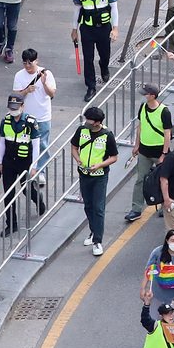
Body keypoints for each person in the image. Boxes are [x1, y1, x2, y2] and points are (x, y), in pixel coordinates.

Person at [127, 83, 174, 222]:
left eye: (145, 94)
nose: (143, 96)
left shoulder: (164, 111)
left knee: (162, 179)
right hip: (144, 150)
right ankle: (136, 209)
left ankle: (163, 205)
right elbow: (140, 126)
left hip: (159, 151)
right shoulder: (143, 107)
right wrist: (137, 144)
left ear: (152, 96)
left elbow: (167, 134)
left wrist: (164, 154)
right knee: (140, 179)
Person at [0, 94, 42, 236]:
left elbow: (36, 145)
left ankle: (38, 200)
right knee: (8, 194)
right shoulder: (6, 121)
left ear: (22, 107)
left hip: (24, 162)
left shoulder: (30, 122)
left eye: (16, 108)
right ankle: (12, 224)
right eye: (11, 108)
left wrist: (34, 166)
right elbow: (2, 142)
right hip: (9, 162)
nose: (13, 110)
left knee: (27, 189)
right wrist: (0, 162)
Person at [74, 105, 118, 255]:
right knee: (88, 205)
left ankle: (98, 241)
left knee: (98, 208)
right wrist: (78, 159)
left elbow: (114, 157)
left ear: (97, 122)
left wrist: (100, 165)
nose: (87, 121)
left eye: (89, 120)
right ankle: (93, 231)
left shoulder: (107, 135)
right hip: (84, 174)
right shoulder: (81, 130)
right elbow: (74, 147)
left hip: (99, 176)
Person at [73, 0, 119, 100]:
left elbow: (114, 7)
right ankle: (91, 86)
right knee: (88, 58)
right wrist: (74, 29)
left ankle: (104, 67)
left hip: (104, 28)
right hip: (87, 28)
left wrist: (115, 28)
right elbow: (76, 10)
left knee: (105, 55)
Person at [12, 48, 57, 173]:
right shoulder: (19, 75)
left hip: (43, 116)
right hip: (25, 116)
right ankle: (27, 168)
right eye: (24, 63)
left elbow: (52, 93)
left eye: (30, 63)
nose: (27, 66)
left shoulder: (46, 74)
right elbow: (16, 97)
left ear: (36, 61)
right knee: (25, 143)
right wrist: (26, 91)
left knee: (42, 144)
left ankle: (39, 170)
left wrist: (43, 84)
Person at [142, 230, 174, 312]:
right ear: (167, 241)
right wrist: (143, 289)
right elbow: (148, 271)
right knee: (156, 322)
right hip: (157, 295)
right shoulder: (157, 252)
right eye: (172, 240)